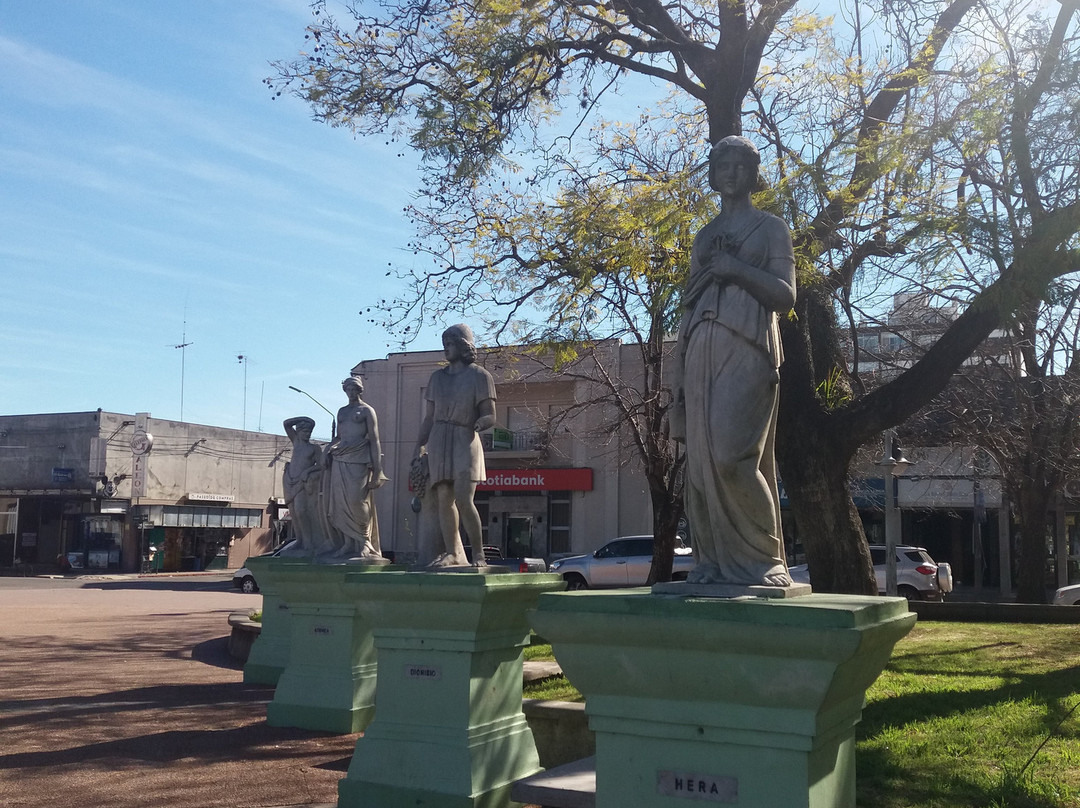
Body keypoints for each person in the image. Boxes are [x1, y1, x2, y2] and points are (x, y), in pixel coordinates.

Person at [671, 136, 796, 587]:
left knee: (731, 456)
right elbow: (688, 303)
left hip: (749, 344)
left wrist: (736, 269)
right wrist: (676, 375)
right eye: (721, 163)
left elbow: (785, 294)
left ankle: (765, 559)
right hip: (700, 344)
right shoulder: (704, 236)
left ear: (752, 171)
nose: (729, 171)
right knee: (701, 466)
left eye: (738, 163)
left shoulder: (770, 228)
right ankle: (712, 561)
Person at [415, 324, 497, 567]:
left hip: (465, 437)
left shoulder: (480, 376)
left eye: (450, 344)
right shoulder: (436, 378)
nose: (446, 350)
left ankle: (479, 554)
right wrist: (418, 446)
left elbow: (490, 414)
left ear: (463, 346)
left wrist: (482, 423)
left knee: (464, 498)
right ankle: (452, 552)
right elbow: (429, 417)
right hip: (439, 438)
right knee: (444, 497)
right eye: (444, 345)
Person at [324, 376, 386, 559]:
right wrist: (327, 450)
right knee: (340, 504)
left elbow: (374, 440)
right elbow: (338, 437)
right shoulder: (342, 412)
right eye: (348, 389)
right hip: (340, 459)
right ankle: (349, 543)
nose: (351, 393)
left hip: (359, 458)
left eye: (354, 389)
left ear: (359, 390)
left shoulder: (367, 411)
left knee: (357, 501)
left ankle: (364, 541)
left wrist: (378, 470)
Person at [281, 416, 328, 555]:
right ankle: (300, 541)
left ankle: (308, 542)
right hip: (290, 481)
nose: (307, 434)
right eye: (305, 431)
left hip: (303, 482)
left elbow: (321, 466)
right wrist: (306, 419)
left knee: (301, 511)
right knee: (294, 514)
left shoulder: (314, 448)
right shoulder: (296, 442)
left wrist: (308, 471)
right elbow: (286, 424)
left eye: (309, 432)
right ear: (299, 432)